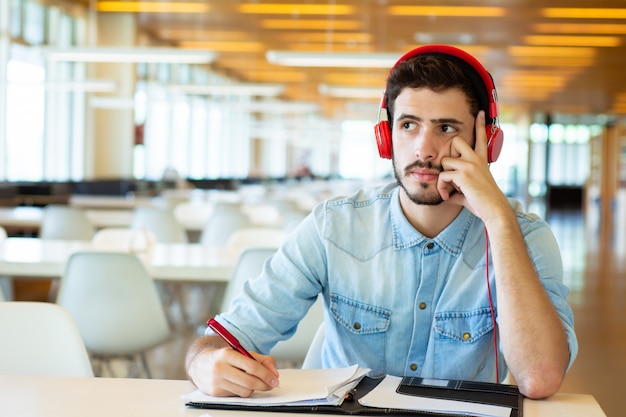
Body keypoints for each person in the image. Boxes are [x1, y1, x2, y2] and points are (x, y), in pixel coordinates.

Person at [185, 45, 577, 400]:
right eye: (408, 125)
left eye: (446, 128)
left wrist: (498, 220)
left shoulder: (524, 235)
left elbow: (539, 379)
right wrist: (204, 364)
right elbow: (221, 341)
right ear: (386, 137)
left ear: (485, 143)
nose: (424, 149)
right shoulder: (332, 227)